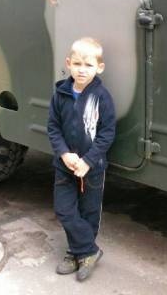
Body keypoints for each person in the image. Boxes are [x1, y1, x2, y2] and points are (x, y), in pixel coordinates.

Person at [47, 37, 116, 281]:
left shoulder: (102, 97)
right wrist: (64, 153)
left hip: (92, 168)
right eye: (77, 64)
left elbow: (107, 134)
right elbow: (53, 128)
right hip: (64, 166)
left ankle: (76, 253)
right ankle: (87, 250)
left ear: (99, 67)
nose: (82, 70)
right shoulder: (60, 94)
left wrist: (87, 161)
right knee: (64, 210)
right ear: (68, 63)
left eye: (88, 65)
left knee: (89, 213)